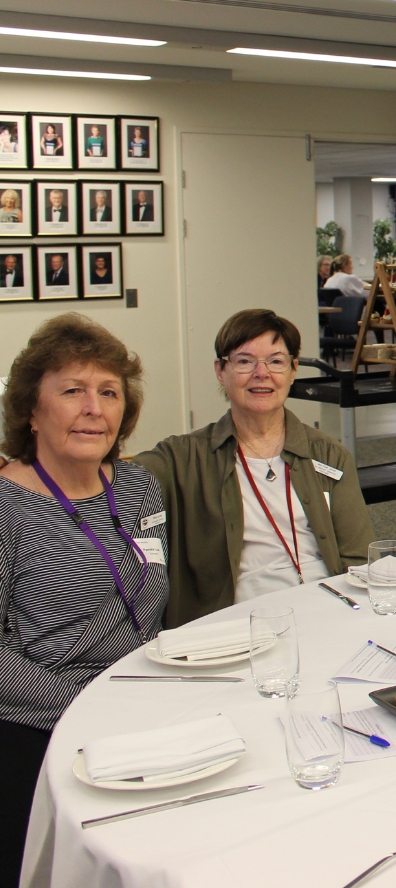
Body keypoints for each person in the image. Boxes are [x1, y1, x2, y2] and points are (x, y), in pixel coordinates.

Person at [0, 314, 167, 883]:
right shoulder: (8, 509)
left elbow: (147, 602)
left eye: (108, 392)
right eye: (72, 391)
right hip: (40, 728)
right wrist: (85, 705)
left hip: (139, 704)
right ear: (31, 409)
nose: (93, 407)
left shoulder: (138, 485)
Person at [132, 310, 373, 625]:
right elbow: (108, 478)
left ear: (293, 370)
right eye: (244, 361)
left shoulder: (329, 455)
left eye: (276, 361)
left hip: (327, 612)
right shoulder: (183, 459)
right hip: (239, 626)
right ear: (221, 371)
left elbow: (361, 559)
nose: (262, 373)